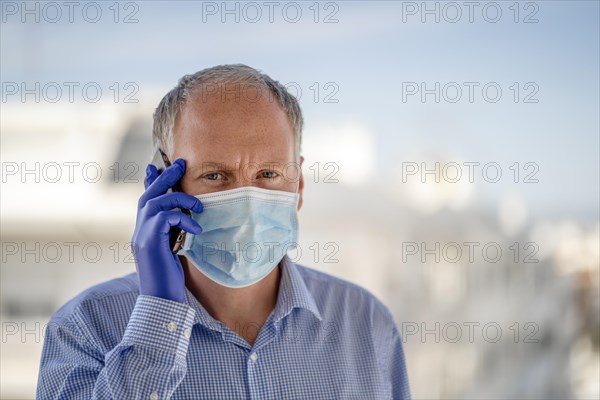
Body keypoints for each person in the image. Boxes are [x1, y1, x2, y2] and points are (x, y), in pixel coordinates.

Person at [37, 64, 411, 399]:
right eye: (215, 176)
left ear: (297, 186)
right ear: (166, 186)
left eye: (268, 174)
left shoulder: (365, 322)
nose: (248, 201)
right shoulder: (85, 328)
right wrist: (159, 315)